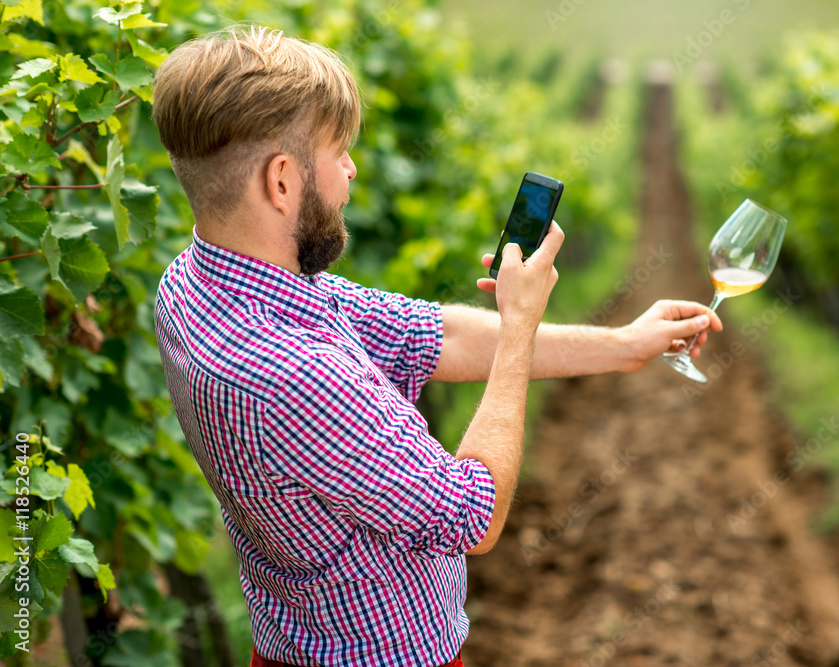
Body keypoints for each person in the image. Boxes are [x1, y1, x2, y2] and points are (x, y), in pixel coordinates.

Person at [151, 24, 722, 667]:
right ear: (282, 182)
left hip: (293, 641)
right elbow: (473, 516)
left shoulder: (196, 285)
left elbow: (434, 335)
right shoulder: (292, 372)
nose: (351, 171)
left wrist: (623, 344)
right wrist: (519, 331)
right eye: (338, 152)